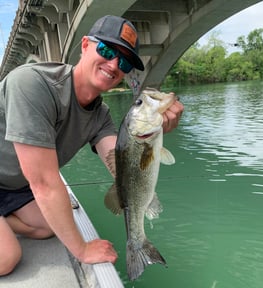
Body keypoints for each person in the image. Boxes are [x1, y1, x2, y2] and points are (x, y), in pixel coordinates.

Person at [0, 15, 184, 276]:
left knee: (50, 226)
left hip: (12, 187)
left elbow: (123, 168)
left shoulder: (101, 115)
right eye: (107, 50)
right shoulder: (32, 84)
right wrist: (82, 249)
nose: (114, 65)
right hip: (21, 184)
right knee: (6, 258)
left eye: (125, 61)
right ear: (85, 45)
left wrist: (155, 134)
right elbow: (42, 182)